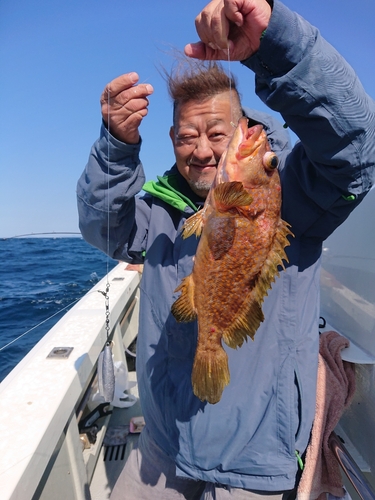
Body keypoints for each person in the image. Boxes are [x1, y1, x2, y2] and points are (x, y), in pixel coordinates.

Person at [77, 0, 375, 498]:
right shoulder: (158, 215)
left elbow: (355, 146)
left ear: (243, 132)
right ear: (171, 139)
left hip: (256, 456)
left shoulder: (292, 200)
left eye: (219, 134)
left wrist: (278, 46)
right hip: (164, 443)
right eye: (187, 136)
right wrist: (114, 145)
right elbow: (102, 227)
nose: (202, 149)